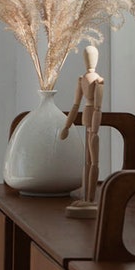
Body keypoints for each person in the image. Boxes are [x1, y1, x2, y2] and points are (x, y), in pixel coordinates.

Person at [59, 45, 104, 218]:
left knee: (93, 161)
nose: (89, 59)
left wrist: (95, 129)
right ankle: (86, 197)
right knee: (87, 162)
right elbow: (75, 104)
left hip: (93, 122)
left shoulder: (98, 81)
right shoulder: (82, 79)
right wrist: (67, 125)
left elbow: (98, 107)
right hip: (88, 119)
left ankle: (91, 199)